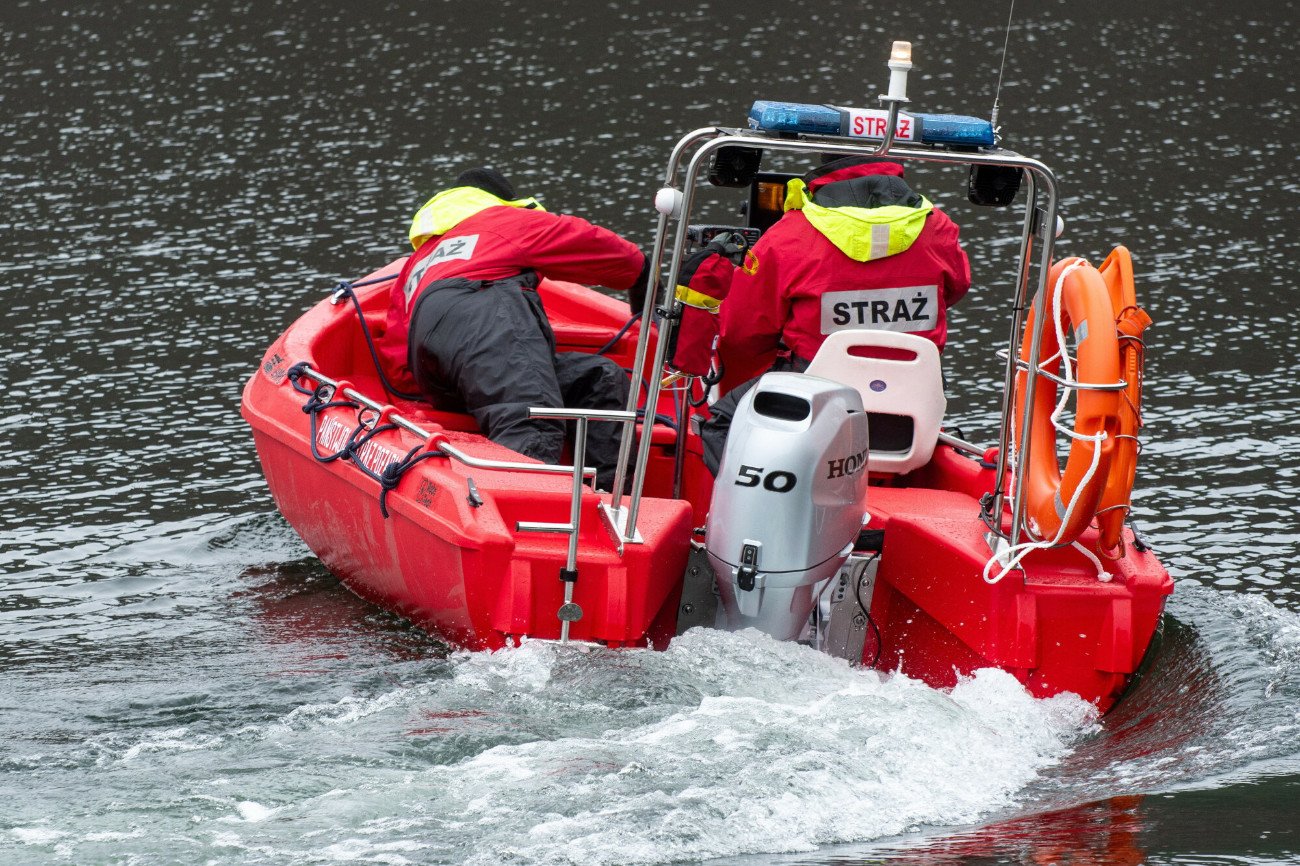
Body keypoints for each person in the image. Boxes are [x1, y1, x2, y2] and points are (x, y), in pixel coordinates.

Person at [378, 167, 653, 490]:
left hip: (433, 365)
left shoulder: (420, 260)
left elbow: (397, 358)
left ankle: (607, 496)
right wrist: (641, 269)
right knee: (532, 419)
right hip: (481, 314)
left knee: (599, 378)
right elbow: (590, 243)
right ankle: (517, 518)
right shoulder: (500, 220)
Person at [698, 155, 972, 472]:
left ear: (823, 176)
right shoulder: (938, 227)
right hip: (910, 408)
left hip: (814, 408)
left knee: (722, 424)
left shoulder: (789, 236)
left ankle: (760, 512)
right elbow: (956, 288)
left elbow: (742, 331)